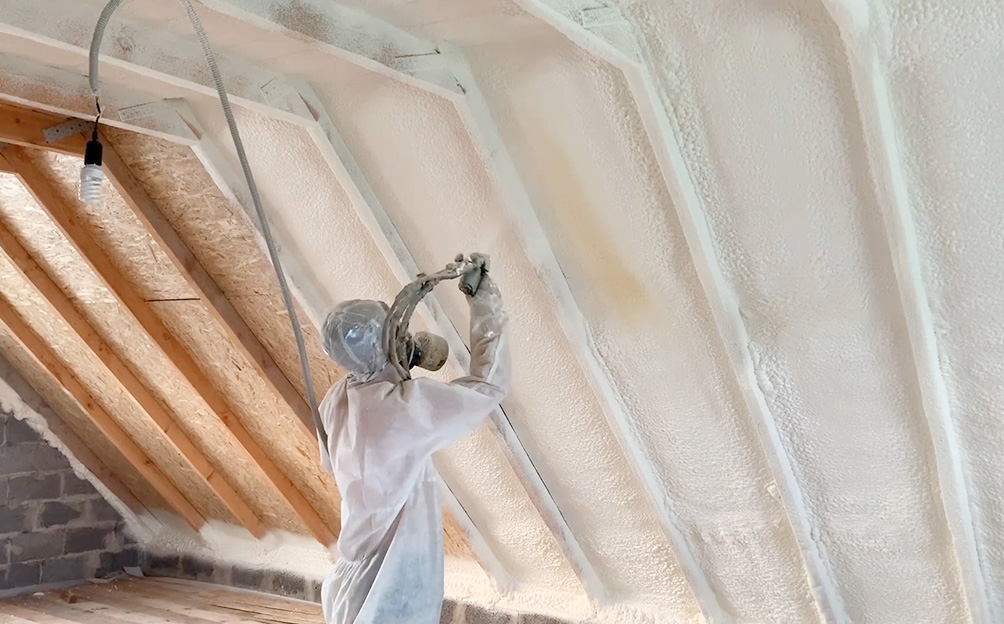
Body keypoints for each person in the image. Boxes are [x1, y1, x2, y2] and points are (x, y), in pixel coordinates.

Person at [317, 263, 509, 624]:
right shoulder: (400, 408)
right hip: (391, 579)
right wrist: (484, 299)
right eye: (395, 333)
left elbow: (330, 462)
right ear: (381, 345)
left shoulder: (336, 398)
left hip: (350, 577)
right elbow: (487, 387)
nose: (405, 339)